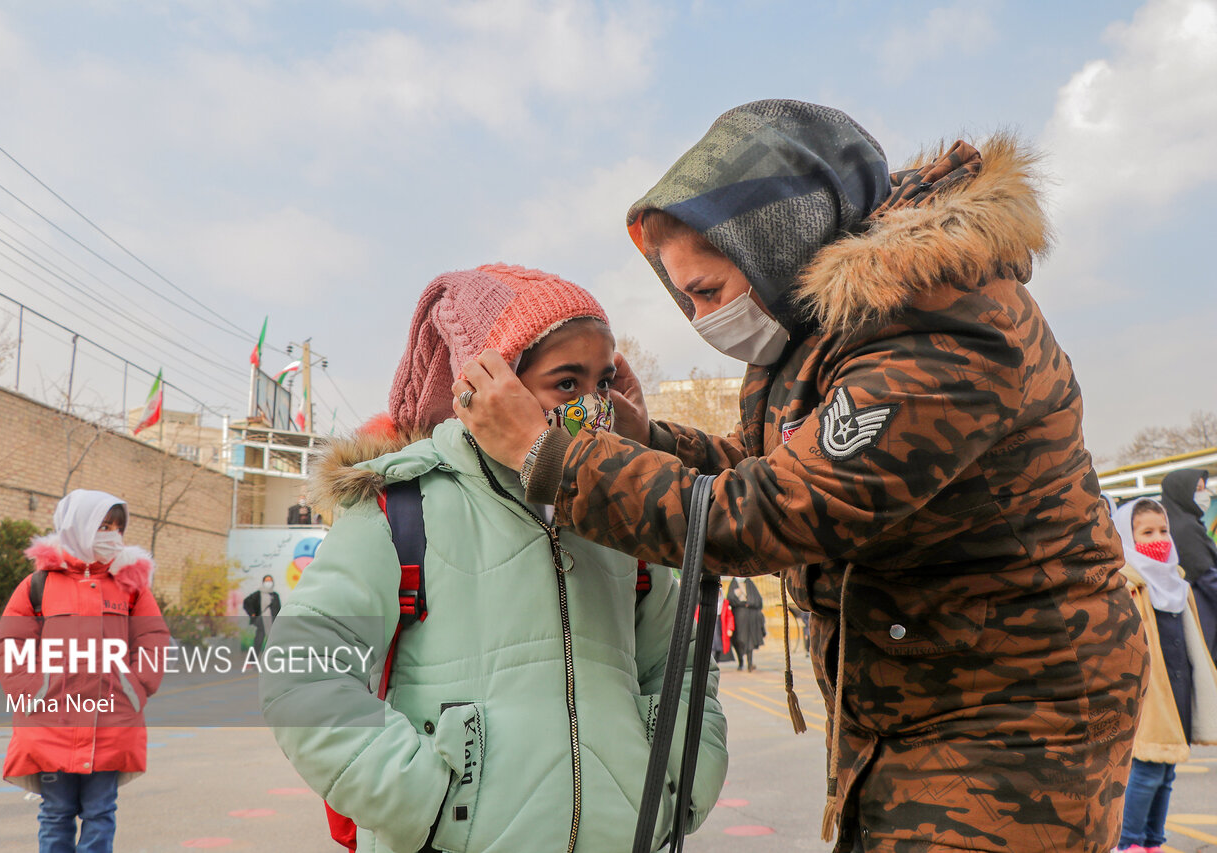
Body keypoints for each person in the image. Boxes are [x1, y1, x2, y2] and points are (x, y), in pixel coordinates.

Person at [456, 100, 1146, 851]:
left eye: (709, 292)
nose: (697, 319)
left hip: (1012, 722)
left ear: (775, 248)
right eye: (683, 298)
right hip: (920, 708)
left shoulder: (939, 324)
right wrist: (647, 436)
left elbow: (764, 514)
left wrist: (547, 455)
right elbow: (766, 466)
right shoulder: (827, 334)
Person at [261, 264, 727, 853]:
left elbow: (682, 668)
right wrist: (427, 806)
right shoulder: (401, 508)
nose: (593, 407)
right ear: (488, 384)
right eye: (567, 383)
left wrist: (674, 791)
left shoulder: (619, 515)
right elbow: (303, 671)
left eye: (602, 382)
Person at [0, 489, 169, 853]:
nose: (111, 536)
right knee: (56, 812)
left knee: (101, 812)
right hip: (50, 723)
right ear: (78, 527)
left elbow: (153, 638)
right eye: (103, 525)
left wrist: (133, 687)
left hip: (110, 723)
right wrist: (33, 691)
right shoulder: (38, 585)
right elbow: (11, 643)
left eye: (117, 528)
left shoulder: (130, 587)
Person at [1111, 498, 1217, 853]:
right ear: (1127, 536)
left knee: (1168, 771)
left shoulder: (1175, 582)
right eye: (1146, 533)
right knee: (1146, 772)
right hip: (1149, 692)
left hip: (1178, 687)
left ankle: (1153, 842)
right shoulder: (1126, 585)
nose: (1159, 539)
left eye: (1163, 530)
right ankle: (1129, 844)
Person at [1159, 468, 1217, 658]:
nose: (1204, 495)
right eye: (1198, 489)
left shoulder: (1174, 523)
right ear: (1182, 492)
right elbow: (1207, 577)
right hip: (1204, 610)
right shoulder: (1186, 527)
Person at [727, 578, 765, 671]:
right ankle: (741, 662)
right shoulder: (733, 583)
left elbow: (757, 600)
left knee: (749, 641)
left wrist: (749, 602)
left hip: (750, 618)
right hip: (738, 616)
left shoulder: (749, 583)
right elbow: (730, 598)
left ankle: (749, 663)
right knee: (738, 640)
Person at [243, 574, 281, 652]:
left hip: (272, 622)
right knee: (258, 641)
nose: (268, 582)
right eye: (266, 581)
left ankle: (272, 660)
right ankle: (252, 661)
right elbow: (246, 602)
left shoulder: (275, 595)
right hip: (261, 622)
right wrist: (252, 614)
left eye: (270, 581)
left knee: (273, 642)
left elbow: (278, 609)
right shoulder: (258, 594)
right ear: (263, 582)